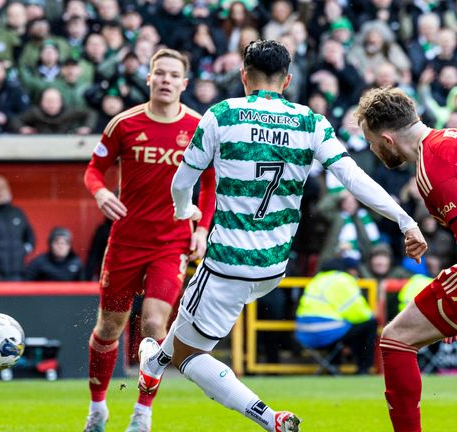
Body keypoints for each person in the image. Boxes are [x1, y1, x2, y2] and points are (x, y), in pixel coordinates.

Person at [138, 40, 426, 432]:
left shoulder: (221, 115)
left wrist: (183, 210)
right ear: (287, 80)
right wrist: (405, 220)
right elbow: (353, 179)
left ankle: (267, 418)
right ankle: (152, 365)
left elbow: (181, 181)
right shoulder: (310, 121)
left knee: (188, 356)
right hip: (273, 266)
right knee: (187, 324)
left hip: (227, 263)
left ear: (243, 75)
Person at [82, 48, 216, 432]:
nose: (166, 80)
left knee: (155, 325)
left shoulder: (198, 126)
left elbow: (209, 186)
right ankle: (97, 409)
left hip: (170, 243)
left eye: (174, 75)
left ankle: (142, 414)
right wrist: (100, 192)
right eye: (160, 73)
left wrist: (202, 230)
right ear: (149, 78)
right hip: (125, 241)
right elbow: (94, 169)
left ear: (184, 83)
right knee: (109, 328)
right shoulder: (123, 124)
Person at [355, 86, 457, 432]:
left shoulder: (433, 171)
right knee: (397, 335)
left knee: (397, 339)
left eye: (370, 141)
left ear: (386, 139)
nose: (371, 148)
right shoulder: (448, 139)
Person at [295, 258, 378, 375]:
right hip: (326, 333)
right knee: (370, 323)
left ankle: (333, 366)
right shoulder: (343, 279)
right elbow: (359, 313)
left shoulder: (317, 279)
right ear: (350, 270)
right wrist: (372, 315)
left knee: (339, 325)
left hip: (304, 334)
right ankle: (363, 369)